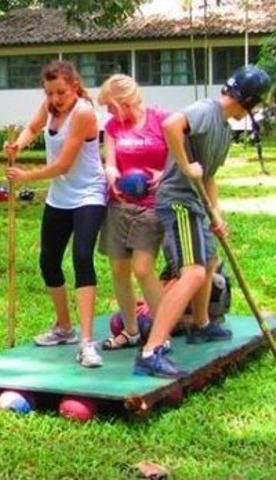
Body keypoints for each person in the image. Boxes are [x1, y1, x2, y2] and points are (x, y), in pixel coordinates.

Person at [134, 65, 271, 378]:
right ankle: (151, 351)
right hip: (178, 201)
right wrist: (185, 164)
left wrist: (216, 214)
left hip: (196, 202)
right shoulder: (207, 110)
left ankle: (201, 324)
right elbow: (171, 125)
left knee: (209, 262)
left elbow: (207, 176)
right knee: (193, 272)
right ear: (249, 100)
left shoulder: (223, 128)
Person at [4, 60, 107, 368]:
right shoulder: (50, 107)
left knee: (81, 257)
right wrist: (18, 145)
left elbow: (63, 165)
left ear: (75, 86)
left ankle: (87, 342)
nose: (55, 99)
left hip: (89, 194)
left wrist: (25, 176)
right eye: (49, 93)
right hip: (60, 198)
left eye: (60, 92)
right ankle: (64, 327)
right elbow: (33, 128)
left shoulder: (84, 113)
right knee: (48, 262)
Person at [96, 74, 168, 350]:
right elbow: (111, 161)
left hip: (151, 206)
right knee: (118, 268)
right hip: (119, 205)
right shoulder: (113, 126)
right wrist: (111, 174)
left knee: (143, 268)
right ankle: (132, 331)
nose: (108, 112)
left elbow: (179, 156)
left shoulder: (161, 119)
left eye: (111, 106)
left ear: (124, 101)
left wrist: (164, 174)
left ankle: (161, 336)